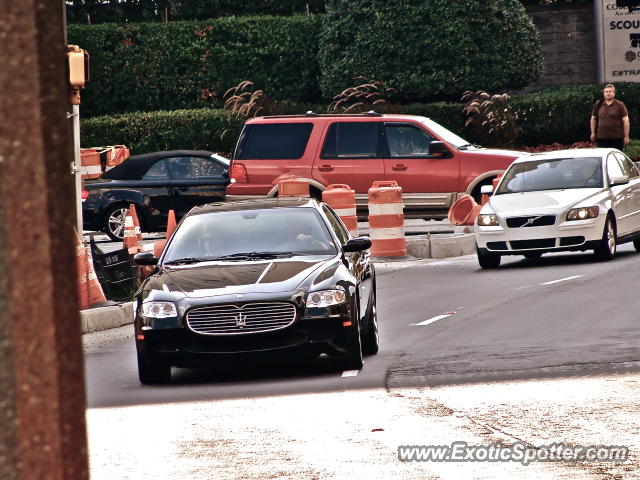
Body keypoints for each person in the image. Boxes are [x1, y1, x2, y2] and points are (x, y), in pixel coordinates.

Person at [590, 84, 630, 150]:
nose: (608, 93)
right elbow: (593, 118)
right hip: (601, 137)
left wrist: (626, 136)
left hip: (617, 138)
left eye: (610, 91)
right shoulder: (598, 104)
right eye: (606, 91)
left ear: (614, 93)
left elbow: (626, 121)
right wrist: (593, 132)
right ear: (604, 94)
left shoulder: (620, 104)